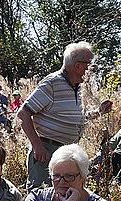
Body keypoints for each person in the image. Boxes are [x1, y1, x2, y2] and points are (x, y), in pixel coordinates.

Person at [17, 41, 113, 190]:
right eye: (90, 65)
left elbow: (77, 117)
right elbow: (23, 113)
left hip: (68, 152)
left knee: (64, 198)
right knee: (41, 194)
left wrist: (99, 112)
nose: (92, 70)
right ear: (78, 66)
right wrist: (37, 145)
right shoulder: (52, 83)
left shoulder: (79, 87)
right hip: (47, 150)